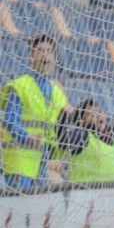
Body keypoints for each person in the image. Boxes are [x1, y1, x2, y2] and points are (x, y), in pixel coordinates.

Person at [1, 34, 67, 190]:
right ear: (31, 56)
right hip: (19, 163)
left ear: (54, 58)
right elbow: (10, 120)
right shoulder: (20, 86)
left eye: (49, 51)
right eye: (40, 50)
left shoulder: (57, 92)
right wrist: (26, 137)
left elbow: (56, 130)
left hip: (41, 164)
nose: (45, 54)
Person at [57, 98, 114, 184]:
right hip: (83, 193)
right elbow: (62, 139)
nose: (98, 115)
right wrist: (64, 116)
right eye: (92, 115)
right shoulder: (83, 137)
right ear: (82, 122)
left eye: (99, 112)